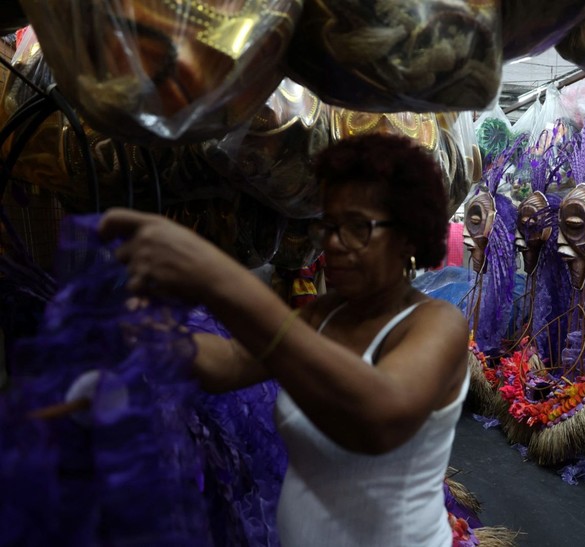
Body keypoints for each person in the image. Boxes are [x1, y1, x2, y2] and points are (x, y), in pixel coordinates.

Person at [98, 134, 470, 546]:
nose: (333, 243)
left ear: (409, 235)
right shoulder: (323, 313)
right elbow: (230, 364)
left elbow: (380, 416)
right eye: (328, 227)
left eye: (357, 228)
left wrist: (216, 276)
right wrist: (153, 333)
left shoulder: (438, 324)